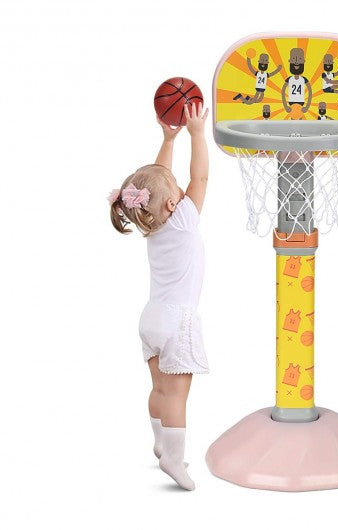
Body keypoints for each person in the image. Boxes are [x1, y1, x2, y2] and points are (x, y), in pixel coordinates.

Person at [108, 103, 209, 491]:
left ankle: (160, 443)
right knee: (177, 395)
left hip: (151, 318)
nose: (184, 192)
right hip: (176, 320)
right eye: (177, 192)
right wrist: (196, 135)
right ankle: (172, 458)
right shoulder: (182, 220)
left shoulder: (150, 224)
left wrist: (168, 140)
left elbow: (156, 180)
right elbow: (199, 176)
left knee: (159, 388)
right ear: (172, 203)